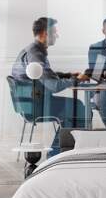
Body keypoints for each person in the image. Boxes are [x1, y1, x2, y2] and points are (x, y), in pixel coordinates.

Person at [12, 17, 86, 158]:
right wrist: (76, 80)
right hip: (36, 105)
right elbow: (53, 86)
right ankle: (57, 155)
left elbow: (46, 76)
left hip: (32, 102)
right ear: (45, 34)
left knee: (77, 107)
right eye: (54, 32)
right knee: (79, 108)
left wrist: (68, 75)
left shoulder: (33, 51)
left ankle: (63, 151)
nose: (57, 36)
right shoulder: (35, 54)